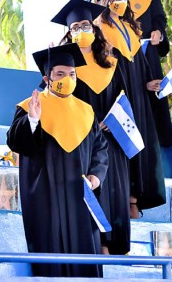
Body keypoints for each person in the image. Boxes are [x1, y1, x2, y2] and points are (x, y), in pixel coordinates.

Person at [6, 43, 109, 277]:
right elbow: (16, 142)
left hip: (80, 196)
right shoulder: (29, 107)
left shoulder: (86, 111)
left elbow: (100, 149)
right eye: (60, 74)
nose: (67, 78)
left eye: (71, 74)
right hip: (46, 197)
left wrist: (96, 175)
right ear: (47, 78)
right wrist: (32, 120)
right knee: (50, 253)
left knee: (85, 254)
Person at [52, 0, 130, 255]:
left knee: (112, 186)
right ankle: (94, 242)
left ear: (94, 28)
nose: (80, 31)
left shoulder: (111, 62)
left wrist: (112, 118)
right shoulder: (67, 67)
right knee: (89, 183)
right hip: (81, 138)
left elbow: (124, 97)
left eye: (85, 25)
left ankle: (111, 242)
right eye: (74, 28)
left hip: (110, 135)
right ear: (69, 33)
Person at [90, 0, 166, 216]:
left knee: (138, 139)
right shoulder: (98, 28)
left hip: (138, 97)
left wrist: (148, 84)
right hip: (116, 96)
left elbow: (139, 64)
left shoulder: (131, 28)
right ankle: (124, 197)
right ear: (103, 1)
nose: (119, 2)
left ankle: (137, 197)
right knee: (120, 142)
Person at [97, 0, 172, 147]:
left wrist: (159, 32)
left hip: (147, 52)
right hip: (121, 54)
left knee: (151, 103)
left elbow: (159, 17)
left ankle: (154, 147)